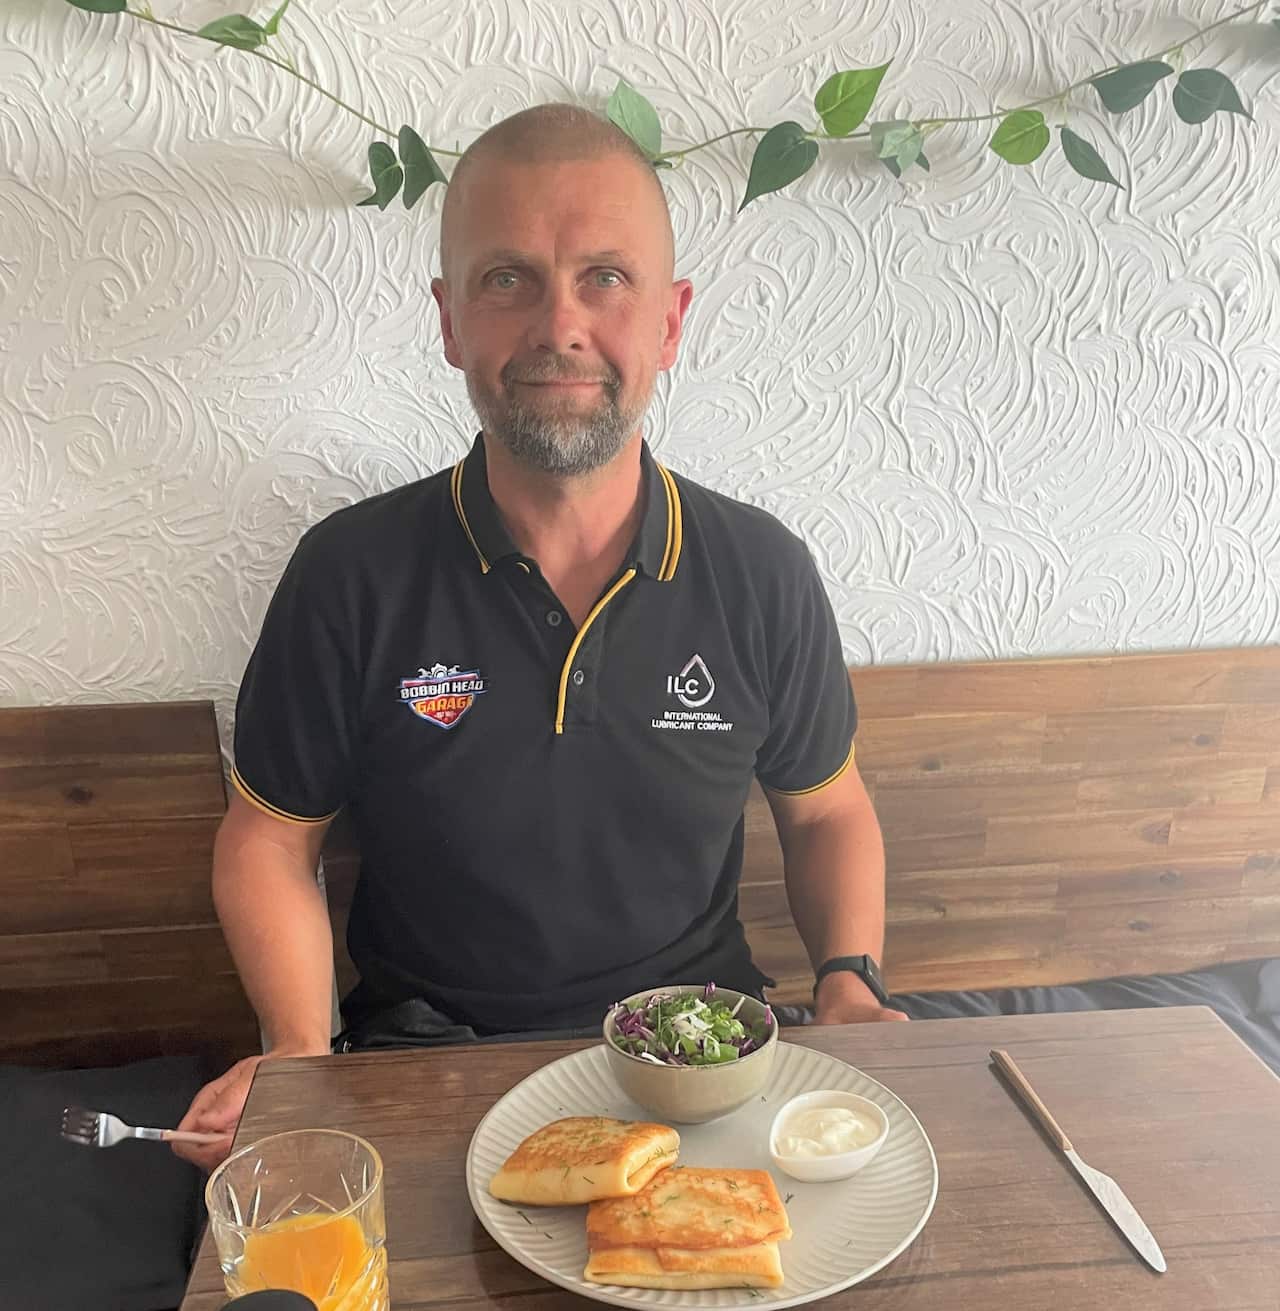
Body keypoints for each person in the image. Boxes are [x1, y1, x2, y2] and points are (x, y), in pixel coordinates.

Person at [174, 103, 905, 1171]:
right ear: (449, 321)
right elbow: (270, 839)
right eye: (507, 278)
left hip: (699, 1054)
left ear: (669, 321)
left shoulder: (761, 571)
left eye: (604, 278)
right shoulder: (348, 572)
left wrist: (849, 980)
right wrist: (297, 1051)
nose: (560, 325)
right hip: (428, 1060)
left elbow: (827, 809)